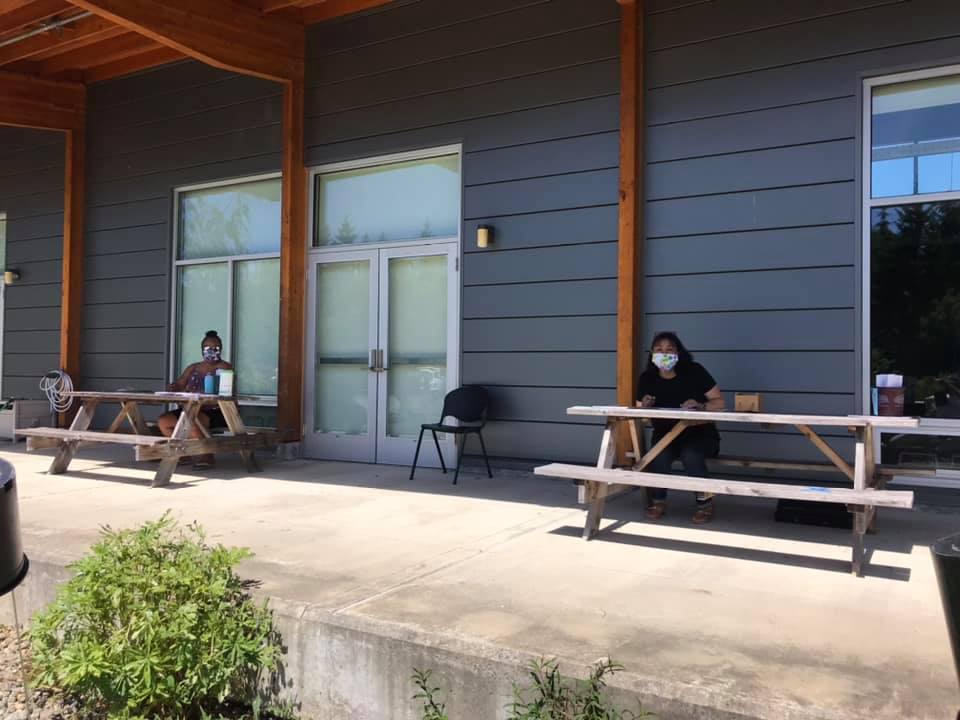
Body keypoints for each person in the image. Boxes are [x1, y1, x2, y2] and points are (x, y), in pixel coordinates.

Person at [637, 331, 725, 524]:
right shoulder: (647, 378)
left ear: (679, 352)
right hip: (665, 435)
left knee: (691, 455)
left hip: (701, 434)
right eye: (659, 350)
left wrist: (701, 406)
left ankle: (705, 503)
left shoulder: (695, 371)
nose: (664, 353)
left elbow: (720, 403)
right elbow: (641, 417)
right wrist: (645, 406)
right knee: (657, 455)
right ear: (652, 354)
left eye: (669, 349)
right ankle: (658, 501)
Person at [157, 330, 233, 469]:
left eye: (215, 348)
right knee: (164, 421)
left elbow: (226, 391)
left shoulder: (224, 367)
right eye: (208, 348)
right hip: (190, 408)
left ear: (221, 349)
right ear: (202, 350)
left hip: (216, 410)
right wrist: (174, 387)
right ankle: (183, 453)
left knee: (192, 420)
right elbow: (180, 384)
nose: (211, 351)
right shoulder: (193, 367)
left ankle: (207, 453)